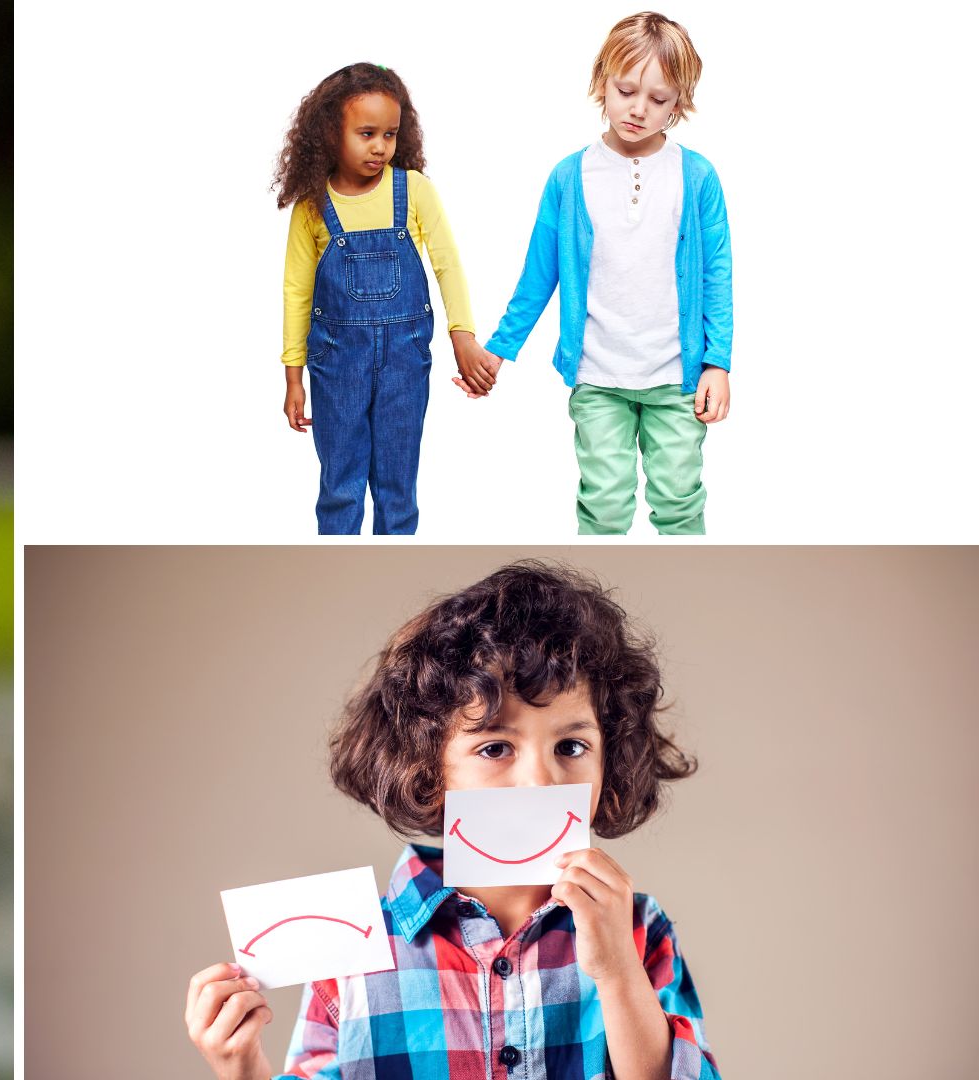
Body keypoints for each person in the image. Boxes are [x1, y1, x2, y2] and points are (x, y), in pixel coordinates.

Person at [184, 562, 718, 1078]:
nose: (540, 781)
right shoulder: (353, 946)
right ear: (427, 769)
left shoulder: (637, 929)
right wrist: (242, 1070)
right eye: (495, 748)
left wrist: (619, 971)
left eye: (571, 746)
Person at [480, 12, 732, 534]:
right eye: (626, 91)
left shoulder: (697, 176)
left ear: (679, 103)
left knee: (680, 501)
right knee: (605, 505)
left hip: (676, 378)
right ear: (602, 81)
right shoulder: (570, 177)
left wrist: (717, 362)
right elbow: (539, 274)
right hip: (598, 376)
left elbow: (716, 276)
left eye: (658, 99)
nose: (639, 109)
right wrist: (500, 348)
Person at [273, 62, 498, 535]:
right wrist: (293, 377)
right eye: (367, 133)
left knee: (398, 490)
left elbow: (447, 263)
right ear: (330, 134)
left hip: (404, 361)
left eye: (390, 134)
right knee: (340, 487)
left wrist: (462, 335)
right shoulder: (313, 204)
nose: (380, 146)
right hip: (336, 365)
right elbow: (297, 291)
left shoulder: (413, 190)